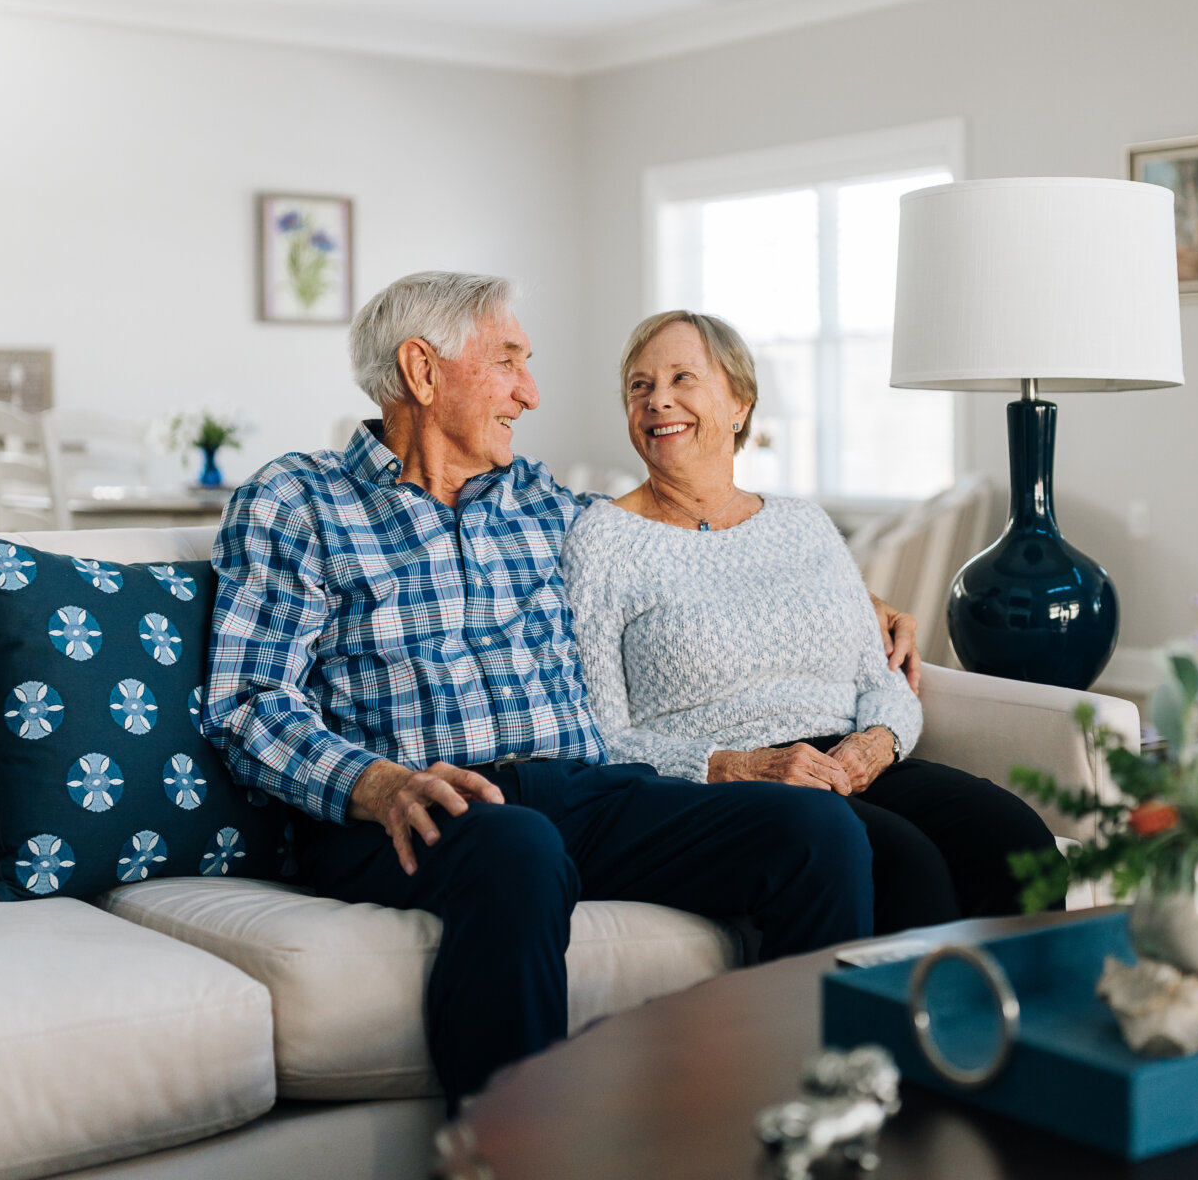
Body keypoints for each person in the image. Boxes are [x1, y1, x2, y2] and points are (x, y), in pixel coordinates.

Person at [203, 274, 914, 1109]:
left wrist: (850, 605)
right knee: (518, 847)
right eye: (509, 363)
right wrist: (377, 784)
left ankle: (813, 1122)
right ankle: (504, 1154)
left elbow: (689, 543)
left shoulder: (545, 504)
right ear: (423, 373)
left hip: (580, 792)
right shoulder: (299, 501)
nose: (530, 394)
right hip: (416, 805)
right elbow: (248, 699)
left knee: (815, 830)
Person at [560, 310, 1061, 936]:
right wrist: (736, 764)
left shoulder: (803, 524)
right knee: (908, 867)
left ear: (739, 402)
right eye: (639, 386)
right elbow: (598, 733)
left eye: (682, 377)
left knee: (1016, 841)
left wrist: (876, 744)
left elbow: (878, 678)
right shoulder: (602, 540)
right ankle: (907, 1033)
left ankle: (1022, 1028)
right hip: (733, 783)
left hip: (852, 760)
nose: (658, 400)